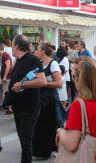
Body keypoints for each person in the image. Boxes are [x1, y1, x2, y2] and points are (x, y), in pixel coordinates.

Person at [9, 35, 46, 163]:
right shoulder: (18, 60)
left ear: (17, 46)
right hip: (18, 108)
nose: (11, 48)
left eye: (12, 45)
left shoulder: (33, 60)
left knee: (26, 142)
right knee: (23, 141)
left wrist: (22, 85)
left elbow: (42, 81)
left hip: (29, 108)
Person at [32, 42, 62, 160]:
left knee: (51, 126)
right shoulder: (38, 64)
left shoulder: (53, 64)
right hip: (40, 99)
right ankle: (41, 151)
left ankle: (53, 149)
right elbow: (30, 77)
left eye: (37, 50)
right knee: (40, 126)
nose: (35, 52)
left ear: (43, 52)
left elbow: (58, 83)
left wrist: (44, 84)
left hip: (50, 100)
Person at [0, 45, 13, 115]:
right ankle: (9, 108)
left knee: (5, 93)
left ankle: (10, 108)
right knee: (6, 92)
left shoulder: (5, 55)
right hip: (6, 77)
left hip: (7, 77)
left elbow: (8, 65)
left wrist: (5, 76)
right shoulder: (4, 55)